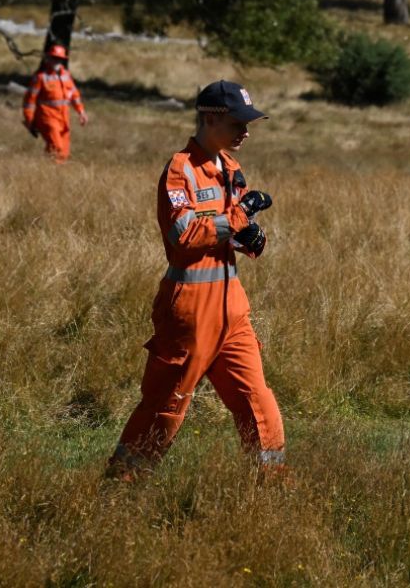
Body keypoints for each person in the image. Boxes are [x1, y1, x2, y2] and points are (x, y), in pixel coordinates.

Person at [106, 80, 284, 480]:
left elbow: (232, 232)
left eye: (249, 122)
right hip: (188, 312)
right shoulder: (179, 169)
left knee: (258, 402)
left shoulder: (232, 170)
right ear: (210, 118)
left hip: (232, 310)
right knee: (166, 407)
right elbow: (183, 235)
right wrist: (239, 219)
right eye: (238, 122)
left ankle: (274, 491)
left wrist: (253, 239)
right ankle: (121, 487)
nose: (246, 130)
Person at [21, 43, 87, 163]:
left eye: (59, 59)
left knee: (64, 152)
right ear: (48, 58)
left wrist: (81, 112)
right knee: (57, 147)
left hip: (64, 118)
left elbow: (74, 95)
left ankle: (50, 172)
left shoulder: (66, 75)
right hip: (47, 118)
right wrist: (30, 121)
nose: (57, 61)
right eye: (54, 58)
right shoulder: (40, 77)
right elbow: (29, 101)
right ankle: (52, 169)